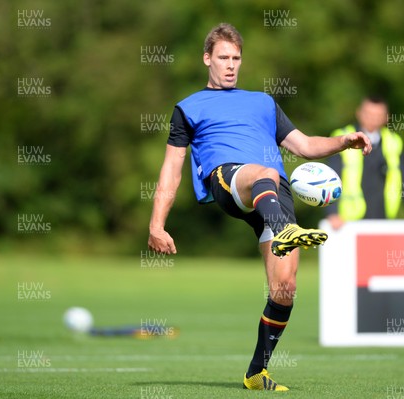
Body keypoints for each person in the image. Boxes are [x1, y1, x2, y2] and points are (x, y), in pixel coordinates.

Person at [147, 23, 371, 391]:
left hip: (274, 191)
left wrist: (345, 140)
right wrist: (157, 224)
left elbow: (304, 146)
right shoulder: (188, 108)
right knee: (264, 171)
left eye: (236, 58)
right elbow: (171, 169)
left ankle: (256, 371)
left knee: (285, 289)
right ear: (207, 59)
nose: (231, 65)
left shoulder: (263, 103)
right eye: (223, 58)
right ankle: (284, 230)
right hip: (230, 179)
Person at [325, 96, 404, 230]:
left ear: (386, 118)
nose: (372, 119)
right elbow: (330, 179)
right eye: (369, 114)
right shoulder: (342, 137)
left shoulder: (393, 141)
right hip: (348, 222)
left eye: (378, 115)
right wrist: (332, 213)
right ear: (359, 113)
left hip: (383, 217)